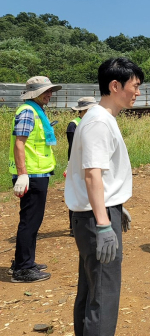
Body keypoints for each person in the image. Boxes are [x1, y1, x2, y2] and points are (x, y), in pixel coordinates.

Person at [65, 57, 144, 336]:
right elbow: (92, 174)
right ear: (115, 85)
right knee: (104, 295)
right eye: (134, 86)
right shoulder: (99, 121)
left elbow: (97, 175)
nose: (137, 92)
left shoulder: (99, 118)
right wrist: (103, 223)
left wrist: (115, 205)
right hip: (95, 218)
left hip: (96, 211)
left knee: (91, 289)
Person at [8, 76, 61, 283]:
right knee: (30, 222)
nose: (49, 94)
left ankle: (25, 261)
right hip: (31, 175)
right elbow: (19, 143)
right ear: (34, 93)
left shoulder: (35, 111)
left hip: (37, 174)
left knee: (32, 221)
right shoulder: (29, 112)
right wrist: (22, 173)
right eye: (45, 91)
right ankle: (23, 268)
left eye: (50, 91)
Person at [65, 97, 98, 237]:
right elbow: (73, 148)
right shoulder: (74, 125)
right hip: (78, 163)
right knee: (77, 192)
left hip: (91, 162)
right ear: (83, 110)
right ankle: (74, 227)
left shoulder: (92, 122)